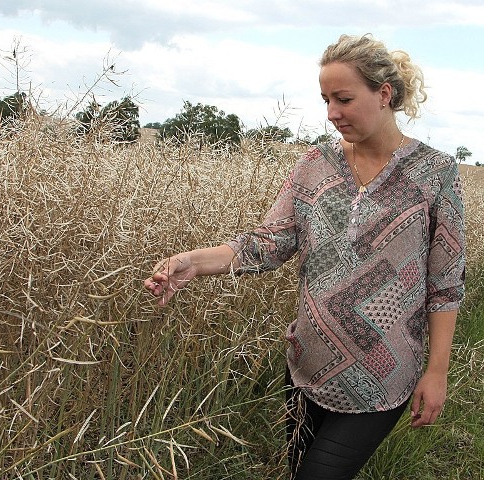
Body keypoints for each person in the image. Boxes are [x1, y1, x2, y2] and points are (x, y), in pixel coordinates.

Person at [144, 34, 465, 480]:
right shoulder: (316, 163)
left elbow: (445, 283)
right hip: (305, 367)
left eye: (344, 99)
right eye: (326, 100)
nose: (332, 113)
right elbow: (267, 242)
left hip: (383, 375)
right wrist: (194, 262)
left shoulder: (435, 173)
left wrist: (437, 372)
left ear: (384, 94)